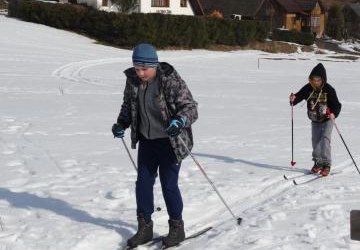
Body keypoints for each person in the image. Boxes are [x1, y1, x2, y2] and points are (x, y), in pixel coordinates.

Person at [112, 43, 198, 248]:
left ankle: (177, 227)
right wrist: (121, 124)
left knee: (169, 184)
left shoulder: (169, 79)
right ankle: (145, 227)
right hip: (147, 141)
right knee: (142, 182)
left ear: (154, 65)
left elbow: (190, 108)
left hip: (171, 142)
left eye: (144, 68)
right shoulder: (132, 81)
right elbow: (128, 106)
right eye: (137, 68)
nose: (140, 73)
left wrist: (179, 122)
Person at [289, 63, 341, 176]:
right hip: (314, 119)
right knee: (315, 141)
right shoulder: (308, 87)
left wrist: (334, 113)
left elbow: (337, 105)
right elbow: (299, 96)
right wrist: (293, 99)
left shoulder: (329, 89)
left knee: (325, 140)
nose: (316, 82)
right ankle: (318, 162)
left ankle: (326, 164)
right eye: (314, 79)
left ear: (323, 79)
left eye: (318, 80)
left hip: (327, 119)